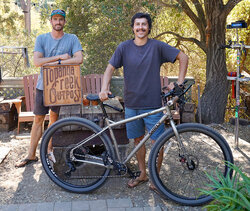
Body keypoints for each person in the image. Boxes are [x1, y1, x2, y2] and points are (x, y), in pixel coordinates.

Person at [99, 13, 188, 190]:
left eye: (144, 25)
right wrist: (103, 88)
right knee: (138, 141)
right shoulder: (124, 48)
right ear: (133, 27)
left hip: (154, 105)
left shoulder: (156, 46)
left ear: (148, 28)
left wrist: (179, 82)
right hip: (131, 104)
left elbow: (183, 57)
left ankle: (155, 178)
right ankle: (143, 174)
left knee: (158, 143)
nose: (140, 27)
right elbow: (110, 68)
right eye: (137, 24)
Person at [15, 9, 83, 168]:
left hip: (62, 88)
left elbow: (78, 59)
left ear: (64, 22)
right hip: (43, 86)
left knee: (54, 119)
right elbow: (37, 62)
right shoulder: (42, 39)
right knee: (38, 119)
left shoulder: (72, 39)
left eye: (61, 19)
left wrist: (52, 64)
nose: (58, 22)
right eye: (55, 19)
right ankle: (31, 155)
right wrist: (59, 58)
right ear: (51, 21)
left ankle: (49, 150)